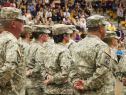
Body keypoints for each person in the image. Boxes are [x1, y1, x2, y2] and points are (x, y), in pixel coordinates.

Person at [69, 15, 117, 95]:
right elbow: (103, 72)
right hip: (98, 91)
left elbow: (71, 68)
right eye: (105, 27)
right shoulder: (102, 46)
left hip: (79, 91)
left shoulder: (77, 45)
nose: (106, 29)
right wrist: (86, 85)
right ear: (101, 28)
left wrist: (75, 82)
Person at [36, 24, 74, 95]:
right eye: (68, 34)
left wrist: (47, 76)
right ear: (64, 36)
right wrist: (52, 79)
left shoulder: (47, 48)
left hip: (48, 89)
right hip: (62, 90)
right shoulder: (64, 51)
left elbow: (40, 64)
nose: (70, 36)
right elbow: (65, 74)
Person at [0, 7, 25, 95]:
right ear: (13, 23)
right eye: (21, 21)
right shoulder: (11, 41)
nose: (23, 23)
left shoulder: (2, 38)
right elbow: (9, 67)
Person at [26, 25, 50, 95]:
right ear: (41, 36)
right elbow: (39, 66)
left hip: (29, 82)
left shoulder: (31, 45)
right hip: (36, 83)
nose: (48, 35)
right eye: (46, 34)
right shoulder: (40, 48)